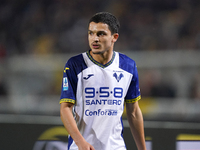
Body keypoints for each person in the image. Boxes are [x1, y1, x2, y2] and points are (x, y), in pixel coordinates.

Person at [60, 12, 146, 150]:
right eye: (91, 33)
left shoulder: (128, 66)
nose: (95, 39)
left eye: (101, 34)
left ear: (114, 37)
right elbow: (65, 109)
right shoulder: (75, 65)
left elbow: (134, 112)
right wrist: (80, 142)